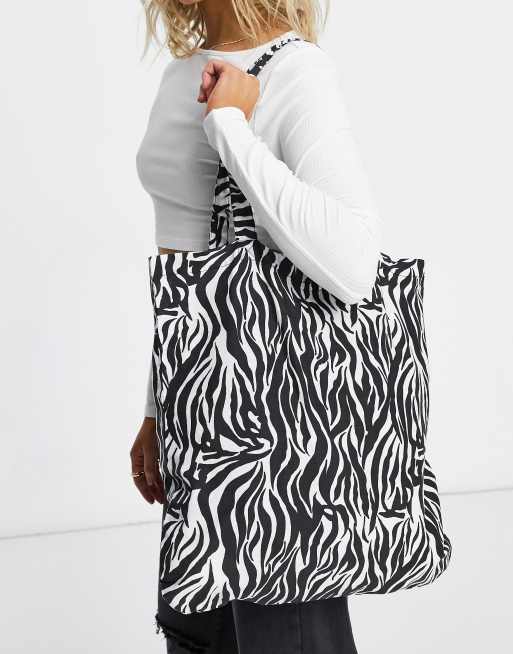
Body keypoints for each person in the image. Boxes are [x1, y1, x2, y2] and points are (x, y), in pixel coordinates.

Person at [131, 1, 382, 652]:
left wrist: (230, 127)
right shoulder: (178, 74)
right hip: (201, 410)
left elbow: (355, 262)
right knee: (195, 632)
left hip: (282, 428)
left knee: (284, 633)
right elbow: (185, 269)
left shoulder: (297, 71)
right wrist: (158, 408)